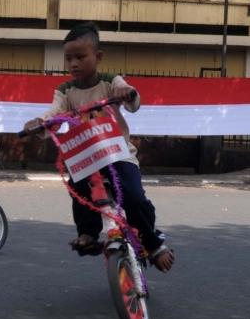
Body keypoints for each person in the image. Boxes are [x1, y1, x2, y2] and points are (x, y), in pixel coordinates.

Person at [24, 22, 174, 272]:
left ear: (98, 56)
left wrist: (128, 92)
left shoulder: (110, 82)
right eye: (68, 58)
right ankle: (88, 236)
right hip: (86, 158)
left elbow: (132, 102)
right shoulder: (65, 91)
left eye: (80, 57)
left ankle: (153, 242)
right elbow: (54, 113)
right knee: (79, 189)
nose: (73, 64)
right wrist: (41, 123)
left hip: (119, 154)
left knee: (134, 198)